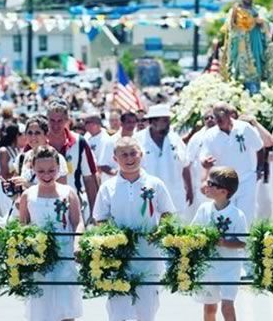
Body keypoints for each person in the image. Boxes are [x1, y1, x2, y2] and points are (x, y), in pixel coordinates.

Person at [93, 137, 175, 321]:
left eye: (133, 153)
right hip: (119, 258)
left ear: (141, 155)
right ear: (115, 159)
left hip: (148, 255)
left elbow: (167, 212)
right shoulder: (108, 187)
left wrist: (159, 232)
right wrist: (113, 239)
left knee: (147, 310)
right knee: (118, 310)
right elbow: (100, 218)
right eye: (124, 155)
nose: (129, 159)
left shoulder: (155, 183)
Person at [17, 146, 84, 321]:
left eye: (51, 170)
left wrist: (77, 244)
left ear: (58, 168)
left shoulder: (68, 192)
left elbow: (77, 222)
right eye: (41, 171)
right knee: (41, 306)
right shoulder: (27, 195)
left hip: (64, 254)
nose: (47, 175)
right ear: (32, 169)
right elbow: (23, 226)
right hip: (39, 258)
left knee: (65, 306)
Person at [192, 167, 247, 321]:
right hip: (209, 265)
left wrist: (223, 242)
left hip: (230, 267)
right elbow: (194, 231)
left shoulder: (237, 215)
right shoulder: (204, 209)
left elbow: (242, 242)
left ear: (224, 191)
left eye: (211, 183)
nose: (206, 186)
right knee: (210, 308)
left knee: (227, 306)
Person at [200, 102, 263, 226]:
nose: (218, 120)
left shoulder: (244, 127)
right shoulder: (210, 134)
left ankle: (245, 244)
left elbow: (259, 147)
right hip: (223, 183)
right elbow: (203, 156)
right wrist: (205, 162)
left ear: (229, 115)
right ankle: (227, 244)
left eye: (221, 117)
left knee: (246, 215)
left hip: (246, 179)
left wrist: (259, 170)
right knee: (226, 216)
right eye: (215, 117)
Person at [134, 104, 193, 221]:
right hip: (148, 197)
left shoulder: (175, 139)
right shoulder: (138, 140)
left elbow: (185, 165)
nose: (168, 124)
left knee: (177, 235)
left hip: (175, 195)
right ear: (153, 122)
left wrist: (190, 189)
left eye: (168, 120)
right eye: (165, 121)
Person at [221, 0, 273, 93]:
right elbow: (230, 25)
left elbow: (266, 22)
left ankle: (258, 82)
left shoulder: (257, 9)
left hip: (256, 37)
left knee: (257, 58)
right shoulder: (236, 10)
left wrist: (261, 22)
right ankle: (241, 82)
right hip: (241, 40)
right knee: (242, 62)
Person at [46, 99, 98, 220]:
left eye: (60, 121)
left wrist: (95, 213)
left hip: (73, 206)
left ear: (67, 120)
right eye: (52, 120)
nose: (55, 125)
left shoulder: (79, 142)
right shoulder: (38, 141)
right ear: (46, 120)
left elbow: (89, 179)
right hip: (42, 205)